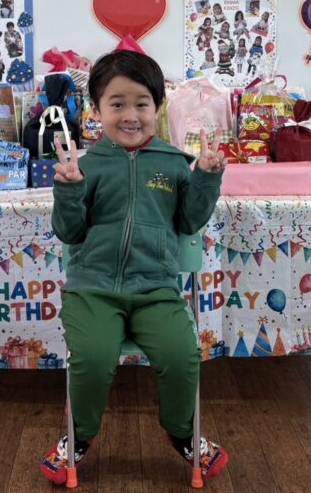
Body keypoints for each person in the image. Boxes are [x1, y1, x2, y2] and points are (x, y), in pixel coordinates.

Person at [40, 51, 229, 485]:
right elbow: (69, 232)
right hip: (92, 289)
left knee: (183, 356)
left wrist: (205, 176)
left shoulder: (173, 163)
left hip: (156, 290)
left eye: (142, 103)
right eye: (117, 104)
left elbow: (189, 221)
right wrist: (67, 190)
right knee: (93, 358)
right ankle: (79, 437)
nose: (130, 115)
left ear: (158, 107)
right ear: (96, 109)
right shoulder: (86, 165)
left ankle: (182, 432)